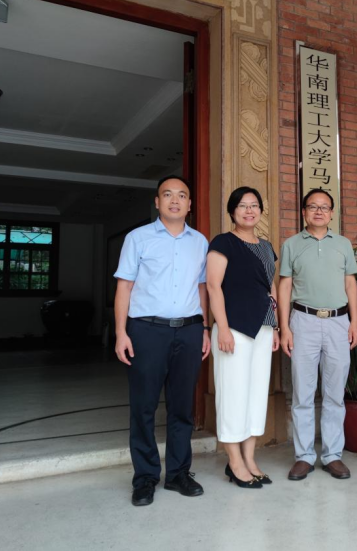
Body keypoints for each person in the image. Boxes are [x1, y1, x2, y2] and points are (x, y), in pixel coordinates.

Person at [113, 175, 211, 506]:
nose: (174, 200)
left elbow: (202, 288)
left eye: (181, 195)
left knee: (182, 407)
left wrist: (205, 328)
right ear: (157, 202)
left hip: (189, 330)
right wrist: (121, 333)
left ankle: (178, 474)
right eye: (167, 194)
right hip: (146, 330)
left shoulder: (200, 242)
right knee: (143, 407)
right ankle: (145, 478)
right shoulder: (138, 238)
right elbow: (124, 287)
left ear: (189, 204)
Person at [278, 189, 357, 481]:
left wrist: (355, 321)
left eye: (324, 207)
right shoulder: (291, 244)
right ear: (304, 212)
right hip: (303, 321)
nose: (319, 211)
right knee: (303, 392)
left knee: (335, 393)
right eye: (313, 206)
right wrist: (285, 327)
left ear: (331, 213)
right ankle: (303, 457)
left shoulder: (343, 244)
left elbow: (350, 284)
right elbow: (285, 286)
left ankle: (332, 455)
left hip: (338, 321)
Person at [206, 187, 280, 490]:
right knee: (233, 394)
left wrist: (275, 327)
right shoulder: (223, 242)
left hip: (263, 328)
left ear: (260, 210)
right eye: (242, 205)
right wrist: (222, 328)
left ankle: (249, 458)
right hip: (234, 328)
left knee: (256, 395)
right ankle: (234, 461)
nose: (249, 211)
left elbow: (270, 289)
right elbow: (213, 286)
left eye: (254, 205)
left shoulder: (267, 246)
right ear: (232, 211)